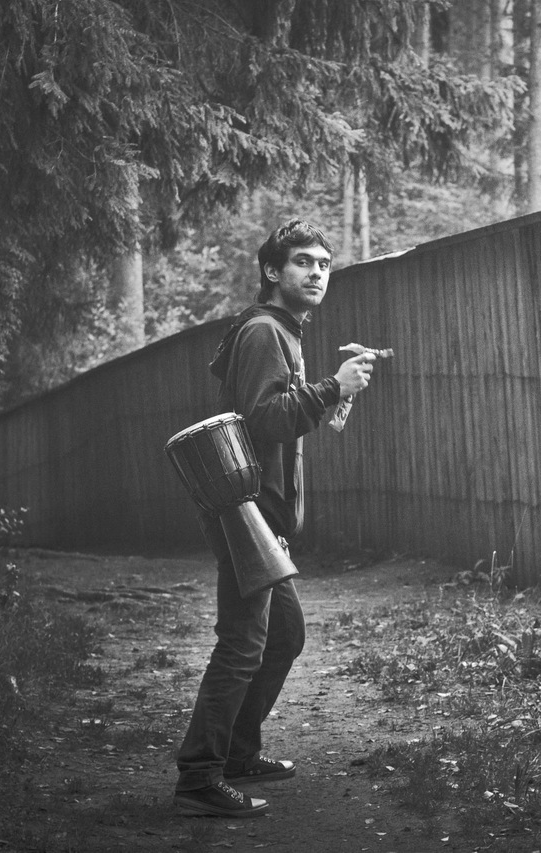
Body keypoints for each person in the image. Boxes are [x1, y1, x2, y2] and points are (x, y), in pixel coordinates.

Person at [173, 219, 377, 818]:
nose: (317, 273)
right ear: (272, 271)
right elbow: (263, 418)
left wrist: (330, 395)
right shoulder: (265, 330)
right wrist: (332, 388)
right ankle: (199, 779)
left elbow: (273, 413)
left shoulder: (281, 329)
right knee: (242, 644)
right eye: (303, 262)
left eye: (324, 264)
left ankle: (237, 753)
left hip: (261, 514)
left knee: (283, 636)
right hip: (246, 511)